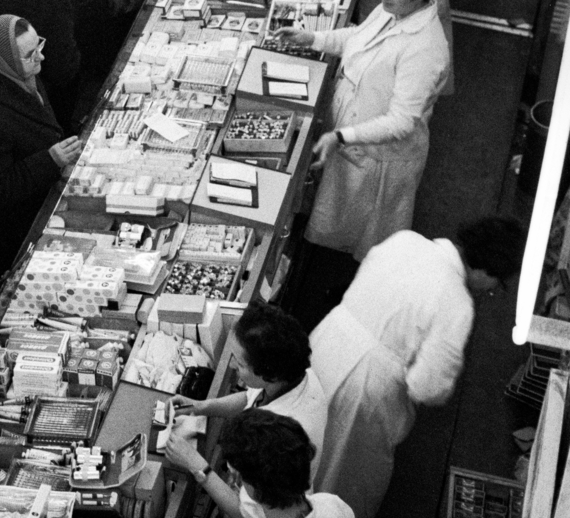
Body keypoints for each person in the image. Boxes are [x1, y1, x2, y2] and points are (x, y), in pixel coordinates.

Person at [309, 217, 525, 518]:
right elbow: (427, 386)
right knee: (341, 479)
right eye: (496, 284)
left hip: (326, 342)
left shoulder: (405, 240)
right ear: (486, 270)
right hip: (365, 389)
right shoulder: (457, 301)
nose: (490, 290)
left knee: (300, 442)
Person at [281, 0, 450, 292]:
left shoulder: (425, 48)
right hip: (352, 136)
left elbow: (402, 121)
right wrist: (311, 38)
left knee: (363, 241)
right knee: (337, 217)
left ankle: (345, 292)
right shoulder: (394, 11)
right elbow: (359, 37)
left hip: (380, 156)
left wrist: (343, 136)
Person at [0, 14, 82, 279]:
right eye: (30, 54)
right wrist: (50, 159)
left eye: (39, 47)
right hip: (7, 231)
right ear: (6, 59)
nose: (40, 58)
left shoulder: (13, 73)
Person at [168, 303, 327, 469]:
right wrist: (200, 407)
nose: (231, 365)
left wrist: (196, 465)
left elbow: (246, 496)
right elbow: (249, 398)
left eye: (240, 364)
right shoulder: (289, 373)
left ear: (269, 373)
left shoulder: (280, 437)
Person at [162, 410, 349, 518]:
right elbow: (245, 512)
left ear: (254, 491)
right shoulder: (330, 504)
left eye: (239, 474)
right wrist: (196, 465)